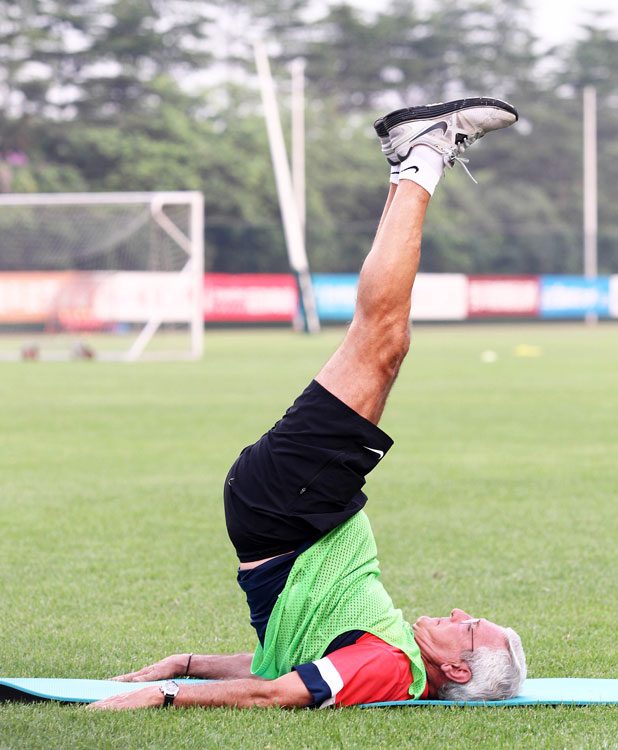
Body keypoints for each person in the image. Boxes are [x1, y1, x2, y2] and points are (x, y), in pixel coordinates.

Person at [90, 97, 527, 711]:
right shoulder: (389, 650)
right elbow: (289, 662)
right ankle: (414, 162)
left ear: (456, 668)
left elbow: (276, 693)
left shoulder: (388, 665)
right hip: (297, 511)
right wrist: (187, 664)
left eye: (470, 626)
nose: (459, 610)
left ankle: (423, 153)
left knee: (382, 346)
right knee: (384, 342)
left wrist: (167, 697)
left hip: (293, 511)